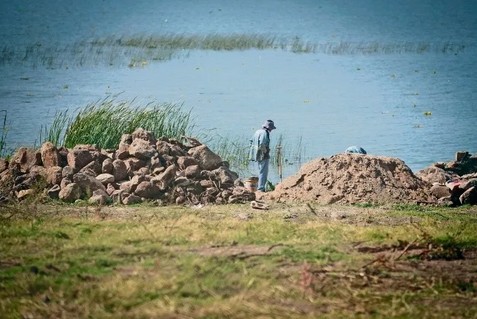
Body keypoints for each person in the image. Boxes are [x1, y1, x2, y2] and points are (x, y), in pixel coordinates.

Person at [249, 120, 276, 191]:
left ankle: (259, 187)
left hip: (256, 154)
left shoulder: (258, 131)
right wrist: (265, 152)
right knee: (263, 171)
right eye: (271, 129)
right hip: (262, 155)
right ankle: (261, 188)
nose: (271, 130)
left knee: (260, 170)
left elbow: (251, 141)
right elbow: (262, 144)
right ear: (269, 128)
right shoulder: (264, 133)